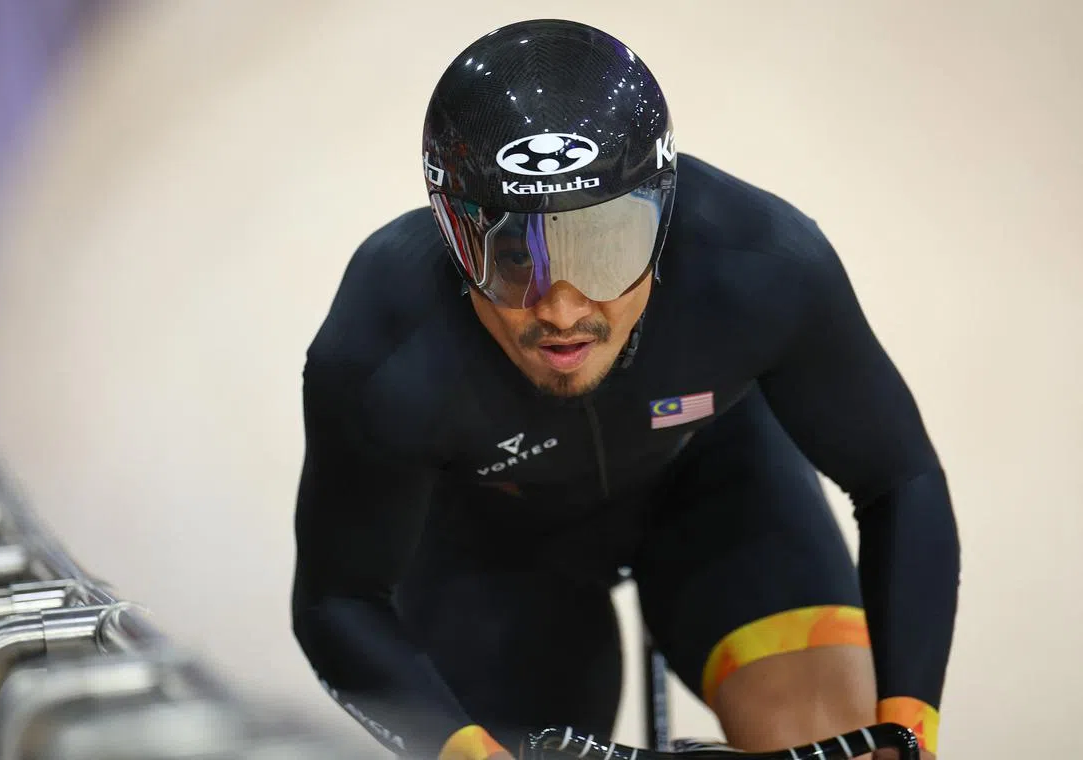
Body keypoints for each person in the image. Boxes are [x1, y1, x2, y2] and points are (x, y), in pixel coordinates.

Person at [291, 18, 959, 760]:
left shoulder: (761, 265)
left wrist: (908, 728)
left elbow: (899, 480)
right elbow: (337, 601)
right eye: (512, 257)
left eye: (605, 248)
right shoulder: (381, 347)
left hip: (716, 490)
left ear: (665, 216)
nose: (562, 310)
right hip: (493, 550)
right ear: (452, 237)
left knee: (836, 746)